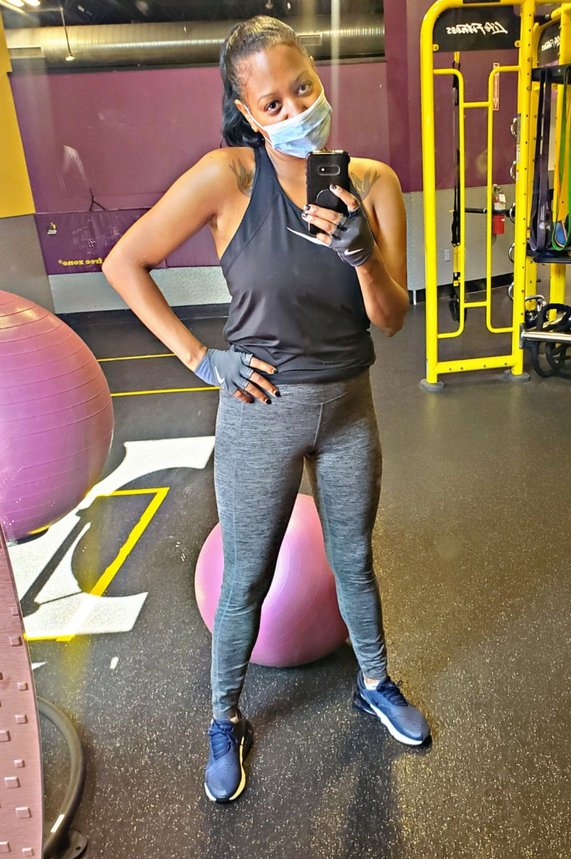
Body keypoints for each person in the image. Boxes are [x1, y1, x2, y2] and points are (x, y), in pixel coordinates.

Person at [103, 15, 430, 803]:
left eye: (304, 89)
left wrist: (360, 252)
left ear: (319, 77)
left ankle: (374, 681)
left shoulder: (374, 183)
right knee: (246, 576)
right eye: (273, 104)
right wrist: (201, 359)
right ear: (248, 113)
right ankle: (224, 718)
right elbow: (125, 262)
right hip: (261, 410)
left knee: (354, 560)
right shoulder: (229, 178)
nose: (296, 111)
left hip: (349, 406)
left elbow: (392, 319)